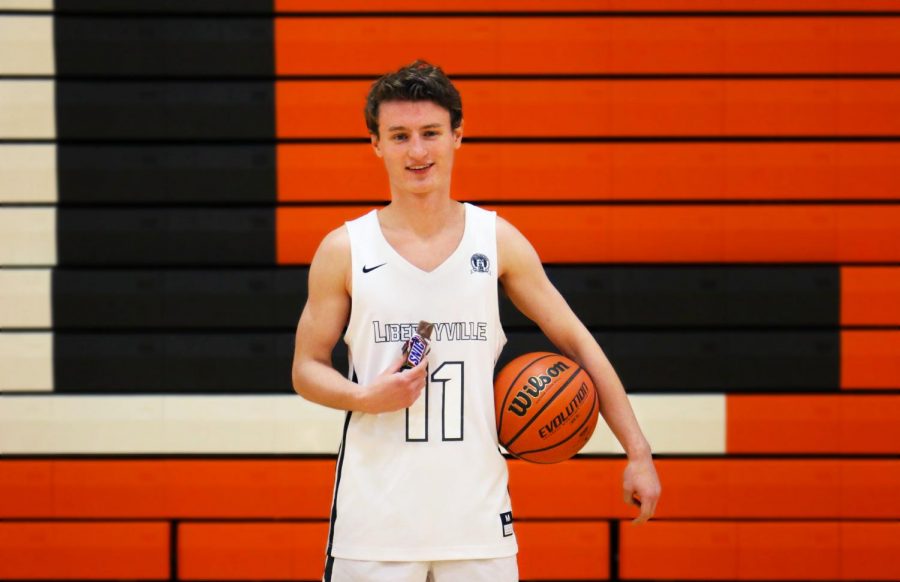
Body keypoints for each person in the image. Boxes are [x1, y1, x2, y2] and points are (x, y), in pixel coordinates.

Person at [291, 60, 661, 582]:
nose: (417, 152)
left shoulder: (497, 239)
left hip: (477, 520)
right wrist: (361, 397)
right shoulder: (344, 249)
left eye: (430, 134)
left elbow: (577, 343)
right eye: (399, 136)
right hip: (373, 523)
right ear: (376, 144)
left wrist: (638, 452)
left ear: (457, 137)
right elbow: (305, 368)